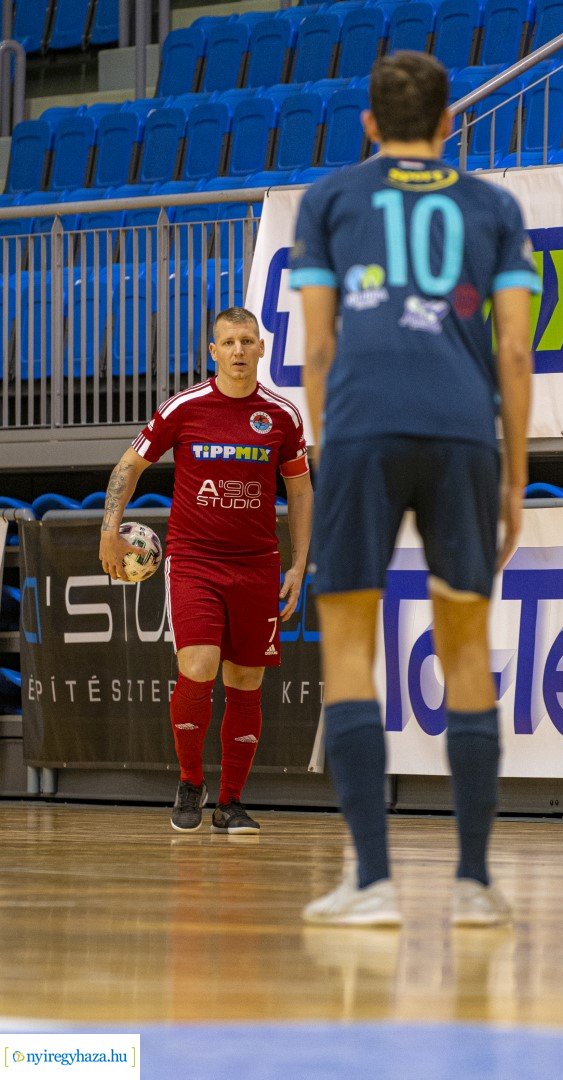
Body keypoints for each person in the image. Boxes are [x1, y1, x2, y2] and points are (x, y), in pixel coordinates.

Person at [290, 51, 540, 925]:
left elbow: (317, 350)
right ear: (447, 124)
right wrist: (513, 475)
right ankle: (473, 883)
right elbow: (514, 352)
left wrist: (331, 448)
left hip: (360, 429)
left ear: (368, 125)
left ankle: (372, 882)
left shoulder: (326, 201)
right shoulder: (496, 207)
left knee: (350, 649)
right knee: (467, 649)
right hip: (465, 433)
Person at [99, 307, 313, 835]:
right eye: (228, 342)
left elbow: (301, 491)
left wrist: (300, 564)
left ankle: (231, 803)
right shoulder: (185, 407)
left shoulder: (282, 416)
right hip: (194, 560)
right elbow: (130, 464)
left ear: (262, 349)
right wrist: (110, 529)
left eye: (247, 341)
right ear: (212, 352)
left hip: (258, 566)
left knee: (246, 679)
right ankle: (191, 782)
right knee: (198, 664)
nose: (238, 351)